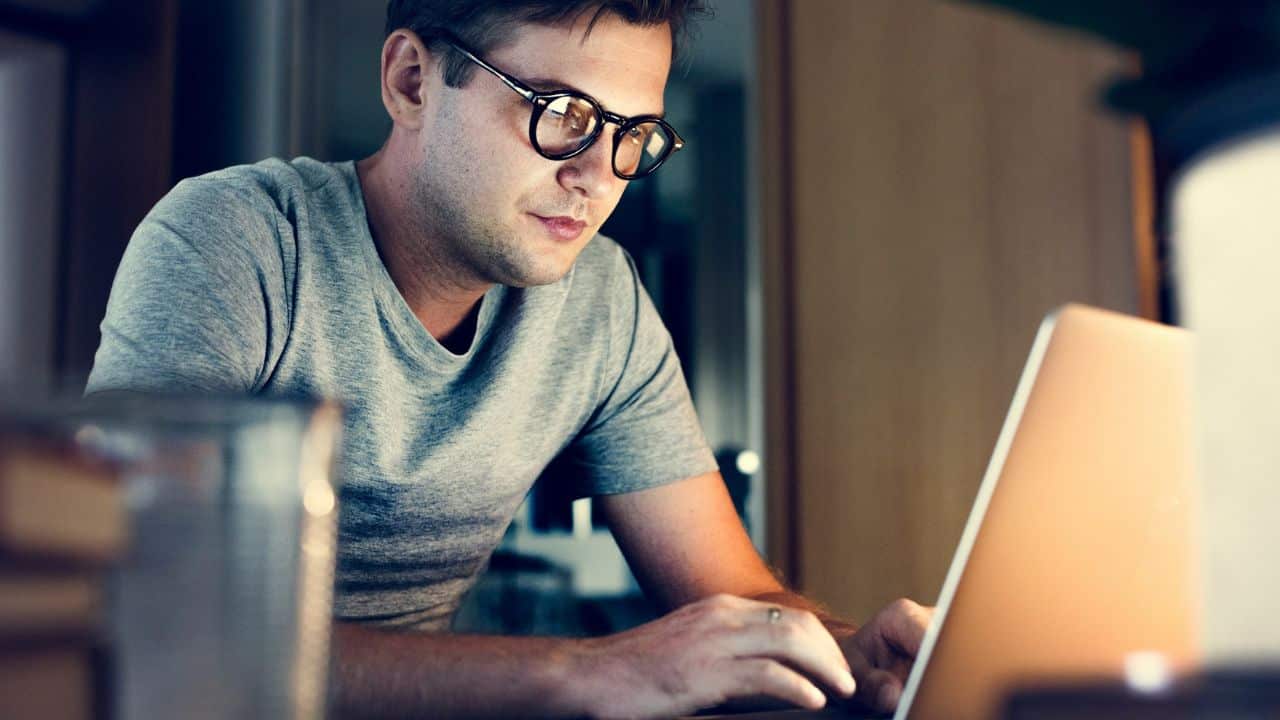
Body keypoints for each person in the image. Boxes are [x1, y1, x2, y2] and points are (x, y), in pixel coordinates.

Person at [87, 1, 934, 717]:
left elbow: (735, 596)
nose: (600, 175)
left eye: (633, 134)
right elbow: (153, 619)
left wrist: (853, 657)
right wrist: (596, 670)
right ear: (412, 81)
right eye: (562, 114)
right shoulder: (233, 241)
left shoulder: (600, 300)